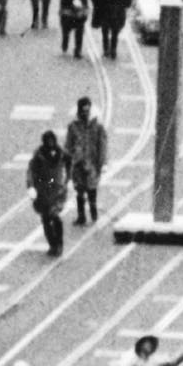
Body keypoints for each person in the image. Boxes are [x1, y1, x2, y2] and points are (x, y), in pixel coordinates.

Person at [65, 96, 108, 226]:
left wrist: (102, 163)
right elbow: (68, 146)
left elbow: (102, 146)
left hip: (92, 164)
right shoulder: (73, 127)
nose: (85, 113)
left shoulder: (97, 126)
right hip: (78, 164)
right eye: (82, 110)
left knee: (92, 189)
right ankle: (81, 216)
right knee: (79, 191)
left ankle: (94, 214)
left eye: (87, 110)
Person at [28, 132, 68, 254]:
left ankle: (58, 244)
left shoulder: (61, 153)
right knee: (46, 218)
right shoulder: (39, 155)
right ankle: (53, 244)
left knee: (54, 216)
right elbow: (31, 171)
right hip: (43, 190)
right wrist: (31, 186)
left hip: (56, 190)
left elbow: (70, 163)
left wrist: (67, 179)